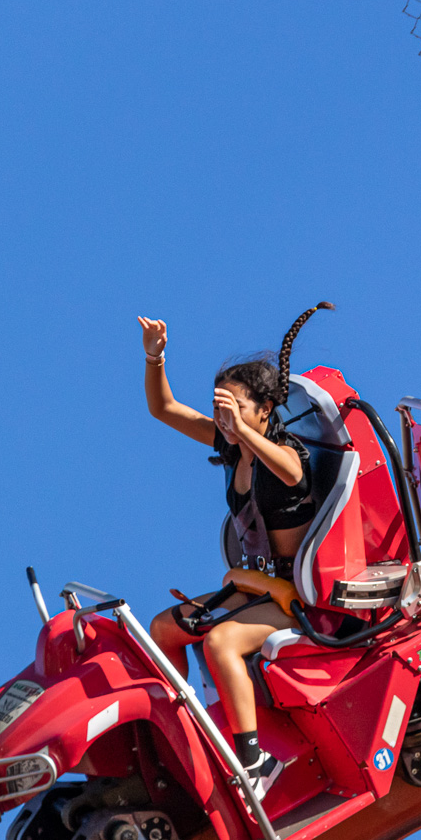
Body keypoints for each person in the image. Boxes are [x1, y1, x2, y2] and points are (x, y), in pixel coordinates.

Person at [142, 302, 334, 799]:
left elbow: (292, 474)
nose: (222, 418)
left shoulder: (287, 451)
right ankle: (197, 729)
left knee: (221, 643)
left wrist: (243, 432)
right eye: (219, 407)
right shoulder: (232, 446)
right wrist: (156, 360)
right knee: (164, 628)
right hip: (256, 584)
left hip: (300, 596)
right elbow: (163, 410)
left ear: (264, 410)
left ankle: (254, 761)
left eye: (233, 407)